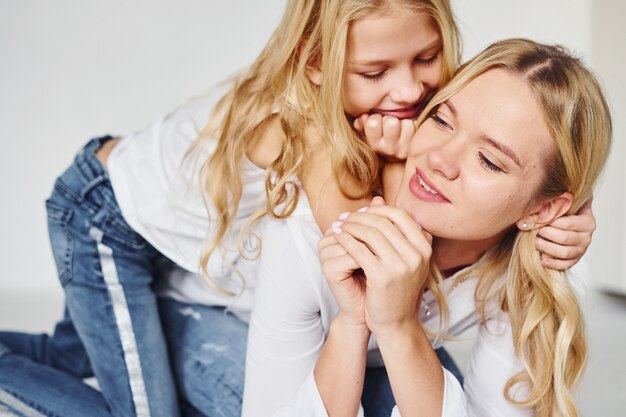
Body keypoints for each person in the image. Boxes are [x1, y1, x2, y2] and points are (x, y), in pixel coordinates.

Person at [0, 0, 595, 416]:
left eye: (426, 61)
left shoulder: (412, 127)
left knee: (84, 351)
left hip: (190, 263)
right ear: (318, 65)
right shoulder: (316, 142)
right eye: (375, 71)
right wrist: (394, 173)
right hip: (109, 213)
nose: (410, 93)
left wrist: (566, 214)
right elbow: (349, 251)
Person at [317, 38, 612, 416]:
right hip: (227, 317)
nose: (439, 158)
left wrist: (399, 326)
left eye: (488, 161)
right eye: (440, 119)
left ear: (544, 209)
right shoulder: (320, 212)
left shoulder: (524, 267)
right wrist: (373, 325)